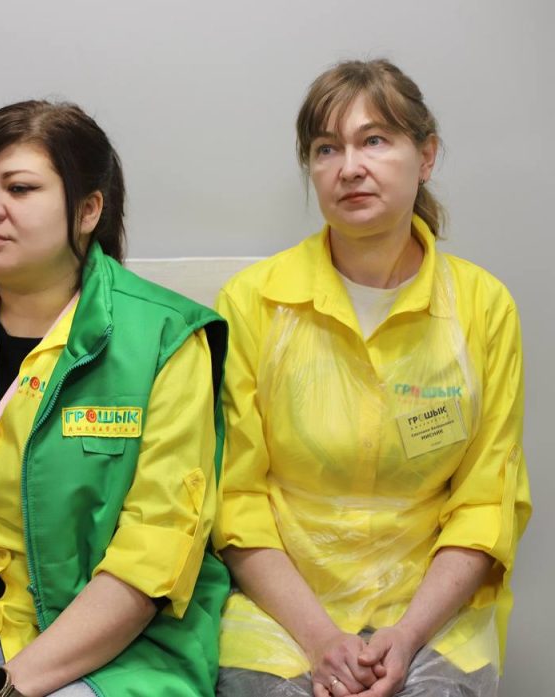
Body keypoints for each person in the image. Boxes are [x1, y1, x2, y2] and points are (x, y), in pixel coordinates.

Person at [0, 100, 229, 697]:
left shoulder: (164, 338)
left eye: (19, 188)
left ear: (88, 210)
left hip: (121, 640)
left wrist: (13, 684)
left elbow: (155, 550)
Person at [213, 59, 531, 697]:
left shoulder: (482, 307)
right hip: (281, 614)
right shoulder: (253, 302)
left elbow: (484, 503)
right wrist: (321, 639)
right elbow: (235, 500)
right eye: (326, 148)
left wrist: (407, 636)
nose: (349, 167)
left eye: (375, 140)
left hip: (431, 614)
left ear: (427, 155)